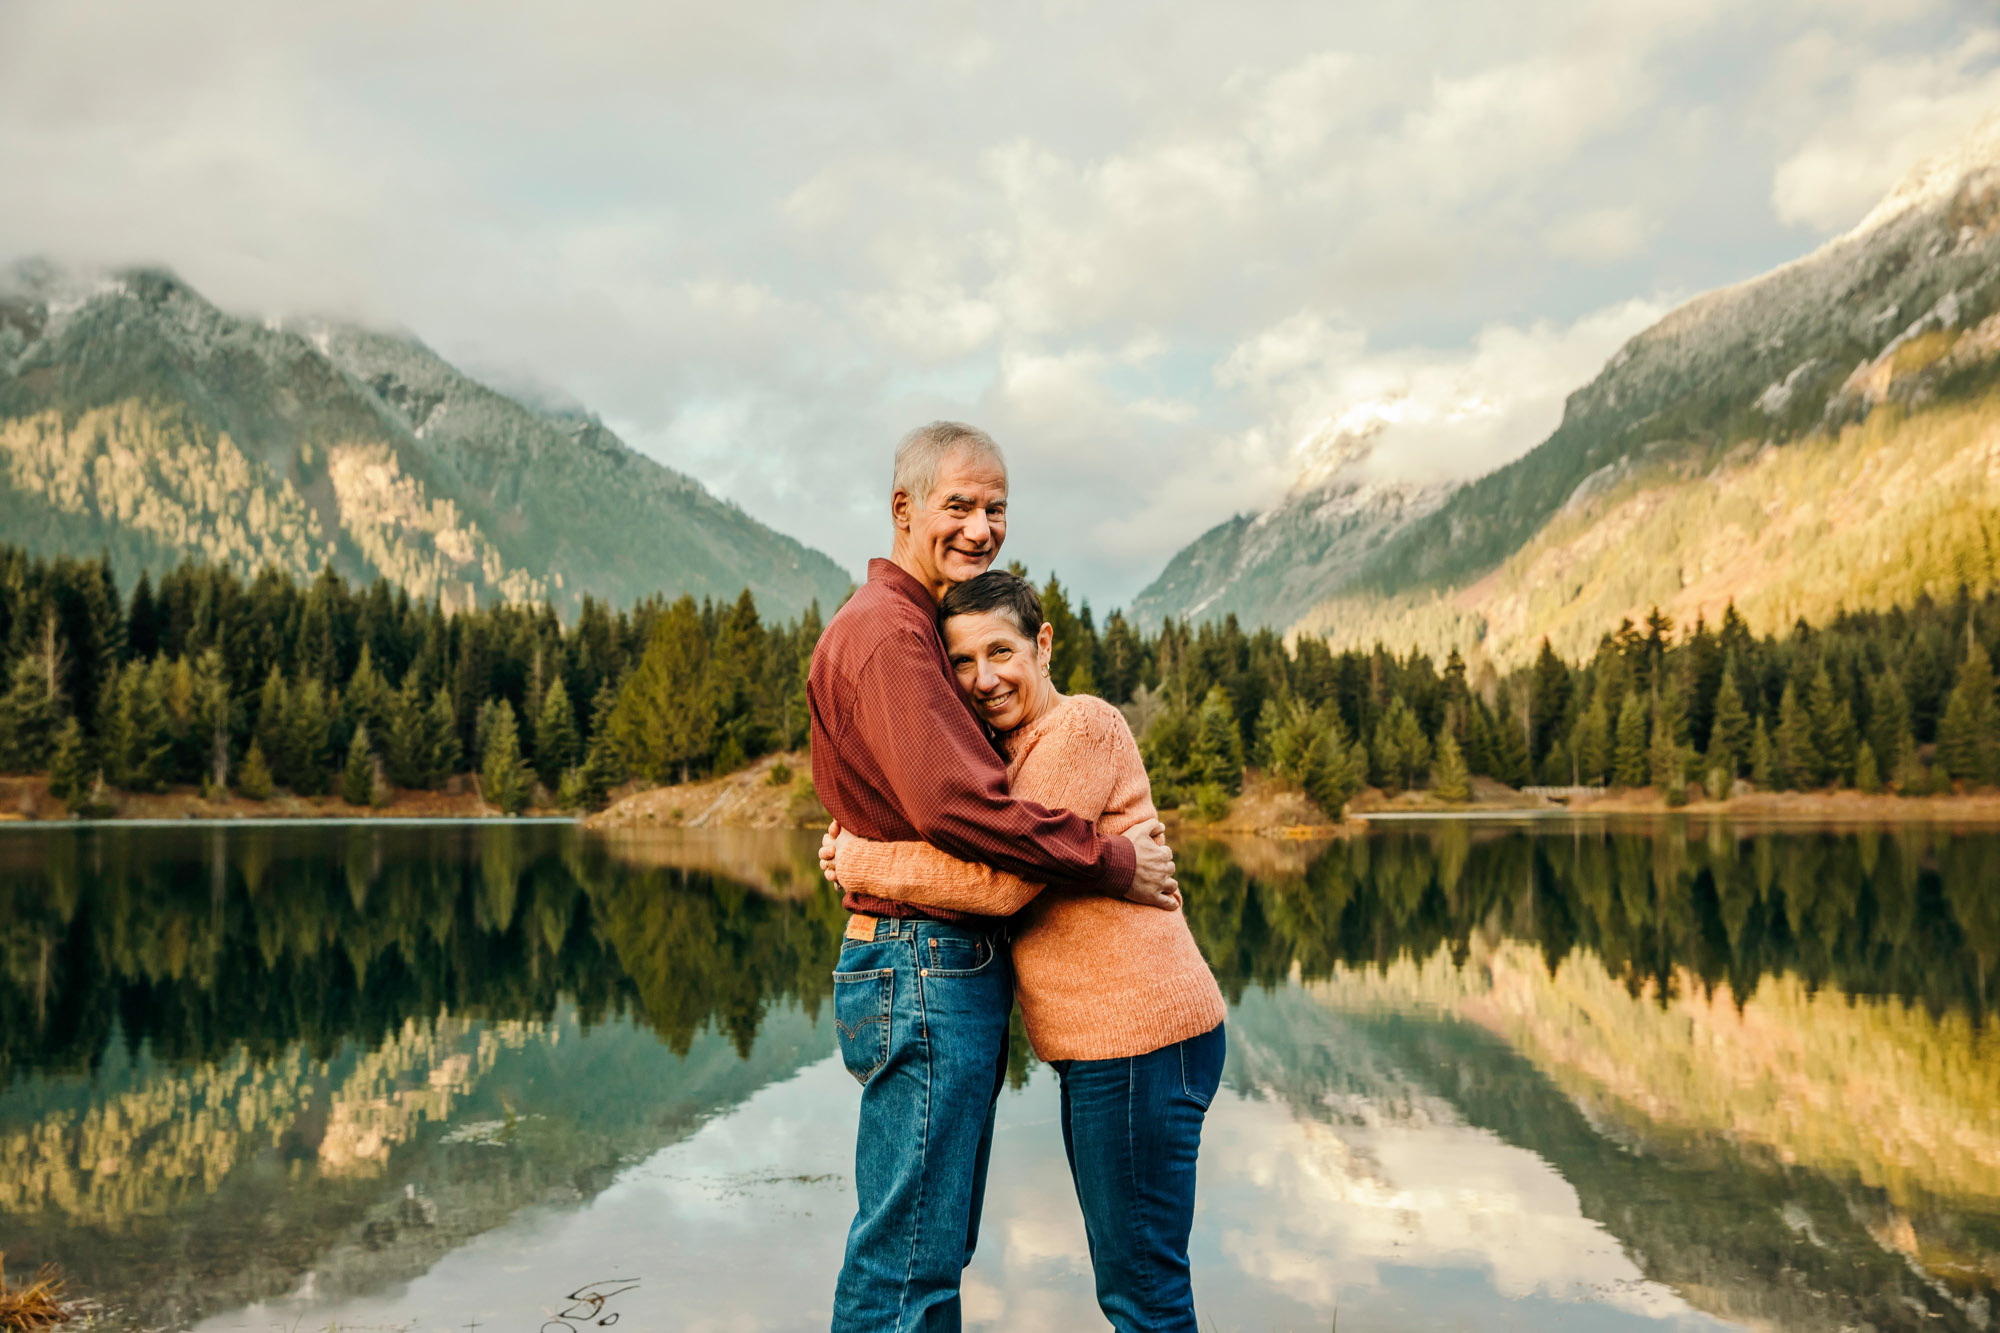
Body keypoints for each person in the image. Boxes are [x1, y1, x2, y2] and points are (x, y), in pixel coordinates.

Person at [808, 421, 1181, 1333]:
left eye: (996, 508)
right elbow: (967, 816)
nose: (981, 527)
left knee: (926, 1252)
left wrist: (856, 852)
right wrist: (1112, 858)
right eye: (959, 505)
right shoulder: (893, 635)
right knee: (908, 1264)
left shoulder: (911, 629)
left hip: (924, 966)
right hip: (921, 963)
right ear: (904, 509)